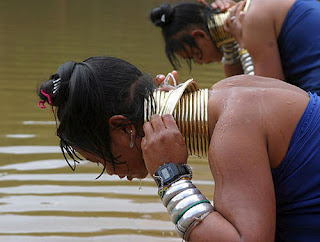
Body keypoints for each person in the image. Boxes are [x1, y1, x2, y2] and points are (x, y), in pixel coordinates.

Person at [38, 56, 320, 241]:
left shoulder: (232, 127)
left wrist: (170, 178)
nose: (111, 172)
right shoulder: (229, 92)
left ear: (124, 129)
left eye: (102, 160)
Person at [150, 0, 320, 94]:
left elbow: (269, 94)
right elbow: (237, 89)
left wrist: (243, 44)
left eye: (195, 55)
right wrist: (232, 41)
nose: (200, 63)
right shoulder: (252, 13)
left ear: (199, 35)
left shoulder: (253, 17)